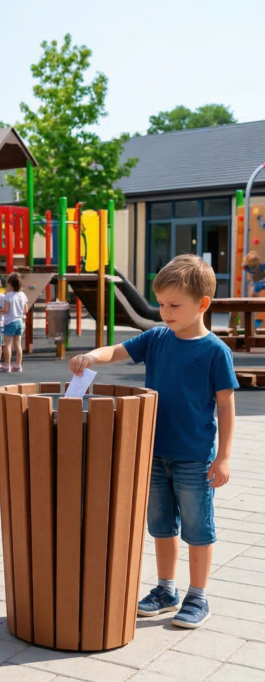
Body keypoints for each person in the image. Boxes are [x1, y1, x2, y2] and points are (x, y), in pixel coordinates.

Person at [69, 254, 238, 629]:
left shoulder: (215, 352)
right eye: (160, 304)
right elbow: (117, 350)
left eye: (174, 305)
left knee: (198, 529)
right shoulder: (158, 338)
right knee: (161, 525)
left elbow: (226, 408)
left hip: (194, 459)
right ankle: (166, 590)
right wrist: (90, 356)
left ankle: (198, 595)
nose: (165, 312)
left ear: (203, 304)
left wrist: (223, 458)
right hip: (154, 454)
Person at [1, 273, 27, 372]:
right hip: (19, 321)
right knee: (18, 344)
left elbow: (6, 310)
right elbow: (26, 309)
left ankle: (7, 365)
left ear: (10, 284)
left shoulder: (8, 296)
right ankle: (18, 365)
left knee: (7, 344)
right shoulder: (22, 295)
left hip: (9, 321)